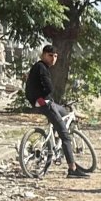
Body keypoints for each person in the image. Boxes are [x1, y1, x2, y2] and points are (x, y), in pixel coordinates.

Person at [23, 45, 84, 178]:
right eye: (50, 55)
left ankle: (60, 142)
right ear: (43, 55)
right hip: (45, 104)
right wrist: (43, 98)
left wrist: (38, 99)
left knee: (64, 112)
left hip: (45, 103)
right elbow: (48, 88)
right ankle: (72, 168)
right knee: (66, 135)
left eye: (55, 56)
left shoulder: (39, 67)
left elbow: (30, 88)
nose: (53, 58)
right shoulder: (42, 68)